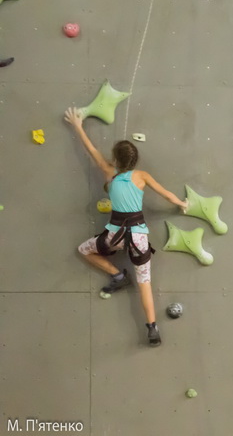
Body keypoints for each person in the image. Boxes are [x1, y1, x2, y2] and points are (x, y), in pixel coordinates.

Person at [64, 107, 187, 347]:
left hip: (115, 235)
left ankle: (117, 275)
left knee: (84, 250)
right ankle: (152, 328)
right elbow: (166, 195)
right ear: (134, 160)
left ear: (115, 160)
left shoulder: (109, 173)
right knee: (145, 283)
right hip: (139, 238)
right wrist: (181, 203)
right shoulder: (142, 176)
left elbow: (91, 151)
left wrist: (78, 125)